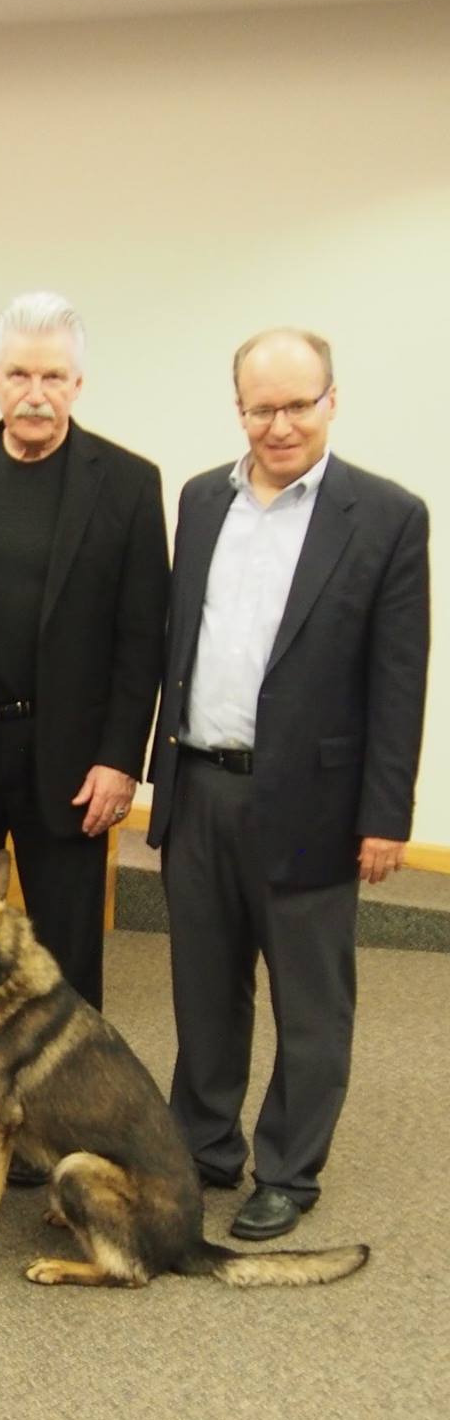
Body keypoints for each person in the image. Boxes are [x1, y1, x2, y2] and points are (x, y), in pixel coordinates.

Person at [148, 327, 430, 1240]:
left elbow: (399, 677)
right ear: (240, 411)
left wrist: (386, 815)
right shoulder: (201, 499)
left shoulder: (386, 516)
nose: (280, 425)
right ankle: (204, 1144)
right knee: (204, 987)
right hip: (202, 787)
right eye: (261, 407)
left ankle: (290, 1169)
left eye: (298, 404)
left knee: (310, 1002)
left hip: (313, 801)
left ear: (331, 400)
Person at [0, 291, 170, 1176]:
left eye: (54, 375)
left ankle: (59, 1123)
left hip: (73, 762)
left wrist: (119, 761)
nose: (36, 392)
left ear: (79, 382)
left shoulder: (128, 484)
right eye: (19, 374)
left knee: (63, 952)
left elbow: (143, 636)